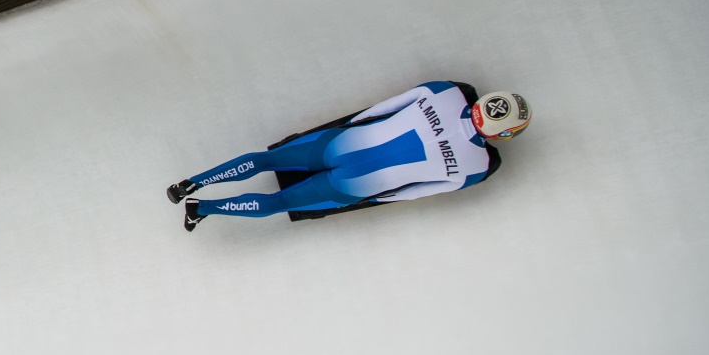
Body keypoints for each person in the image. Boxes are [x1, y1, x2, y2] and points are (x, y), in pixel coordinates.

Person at [168, 81, 530, 231]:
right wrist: (380, 197)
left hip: (343, 141)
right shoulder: (479, 167)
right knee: (278, 203)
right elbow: (421, 190)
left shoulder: (449, 91)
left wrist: (353, 125)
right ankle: (201, 209)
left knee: (266, 160)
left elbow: (389, 105)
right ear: (505, 132)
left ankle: (190, 183)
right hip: (356, 186)